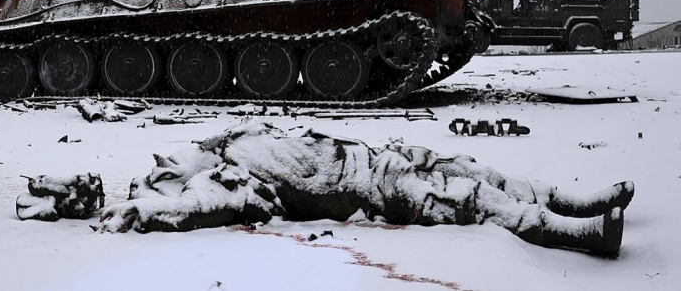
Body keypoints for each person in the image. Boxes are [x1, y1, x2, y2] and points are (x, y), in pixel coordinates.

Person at [98, 119, 633, 256]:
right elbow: (205, 208)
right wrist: (148, 213)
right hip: (364, 187)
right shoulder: (228, 180)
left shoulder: (234, 139)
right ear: (174, 179)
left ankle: (564, 199)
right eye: (161, 171)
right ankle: (577, 233)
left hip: (370, 156)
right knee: (459, 199)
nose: (165, 157)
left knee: (468, 170)